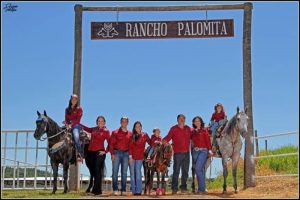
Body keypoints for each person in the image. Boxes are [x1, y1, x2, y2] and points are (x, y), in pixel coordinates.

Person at [163, 114, 192, 194]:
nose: (182, 120)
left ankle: (183, 188)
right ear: (177, 120)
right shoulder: (173, 129)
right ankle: (174, 189)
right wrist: (162, 142)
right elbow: (168, 137)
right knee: (176, 171)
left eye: (183, 118)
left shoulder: (188, 129)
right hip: (177, 153)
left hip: (187, 153)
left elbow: (194, 135)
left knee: (185, 171)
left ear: (185, 120)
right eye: (180, 118)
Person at [81, 116, 110, 195]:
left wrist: (105, 151)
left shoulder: (106, 131)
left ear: (104, 122)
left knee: (97, 171)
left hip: (99, 152)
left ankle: (97, 191)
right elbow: (86, 128)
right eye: (99, 121)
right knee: (93, 171)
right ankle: (95, 190)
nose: (100, 122)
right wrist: (76, 123)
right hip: (90, 153)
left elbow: (110, 143)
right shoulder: (93, 129)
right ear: (97, 122)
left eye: (102, 121)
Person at [109, 116, 132, 196]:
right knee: (115, 172)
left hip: (126, 154)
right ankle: (115, 189)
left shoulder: (130, 133)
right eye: (122, 121)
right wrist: (112, 154)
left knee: (124, 173)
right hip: (116, 153)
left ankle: (123, 190)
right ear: (120, 122)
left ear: (127, 123)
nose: (124, 122)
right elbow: (111, 144)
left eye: (125, 121)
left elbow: (130, 146)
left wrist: (130, 156)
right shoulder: (115, 132)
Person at [191, 116, 213, 194]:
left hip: (203, 151)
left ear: (201, 122)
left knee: (197, 168)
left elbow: (207, 140)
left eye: (198, 121)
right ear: (193, 123)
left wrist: (210, 150)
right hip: (195, 152)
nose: (197, 122)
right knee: (201, 170)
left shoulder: (204, 130)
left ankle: (201, 189)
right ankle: (203, 189)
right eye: (195, 121)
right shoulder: (192, 131)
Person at [129, 121, 150, 196]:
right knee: (132, 174)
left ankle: (138, 191)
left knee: (138, 172)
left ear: (141, 127)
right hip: (132, 157)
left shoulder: (145, 135)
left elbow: (150, 142)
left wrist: (156, 140)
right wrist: (130, 157)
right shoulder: (132, 136)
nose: (138, 128)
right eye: (136, 126)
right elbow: (130, 147)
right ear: (134, 128)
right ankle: (133, 191)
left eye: (139, 126)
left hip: (140, 157)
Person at [64, 94, 84, 161]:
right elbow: (66, 119)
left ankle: (80, 154)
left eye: (75, 99)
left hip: (76, 125)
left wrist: (71, 125)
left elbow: (78, 120)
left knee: (76, 136)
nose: (74, 100)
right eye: (73, 99)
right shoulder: (67, 109)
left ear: (77, 100)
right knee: (60, 134)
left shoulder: (79, 109)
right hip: (68, 125)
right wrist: (67, 124)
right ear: (70, 99)